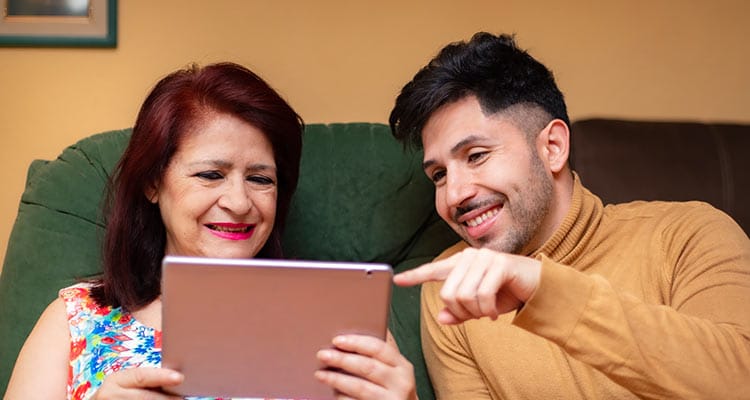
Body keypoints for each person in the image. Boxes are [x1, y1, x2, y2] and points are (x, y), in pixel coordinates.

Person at [5, 62, 416, 400]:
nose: (239, 203)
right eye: (210, 174)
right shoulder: (75, 318)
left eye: (260, 179)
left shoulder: (342, 323)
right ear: (152, 183)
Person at [389, 32, 750, 399]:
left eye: (477, 155)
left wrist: (543, 290)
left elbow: (740, 382)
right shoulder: (452, 288)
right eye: (439, 175)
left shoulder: (688, 235)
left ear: (553, 147)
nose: (454, 195)